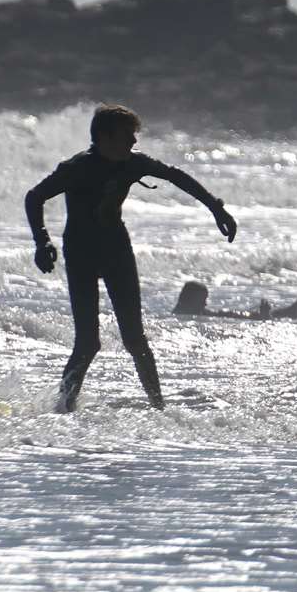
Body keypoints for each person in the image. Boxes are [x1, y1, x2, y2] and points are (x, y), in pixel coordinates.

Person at [25, 103, 238, 412]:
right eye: (127, 136)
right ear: (105, 137)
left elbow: (175, 176)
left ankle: (158, 408)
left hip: (116, 252)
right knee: (87, 344)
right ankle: (64, 409)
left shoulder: (132, 164)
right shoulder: (76, 168)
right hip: (81, 254)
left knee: (135, 339)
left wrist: (215, 207)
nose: (134, 142)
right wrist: (41, 241)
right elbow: (34, 197)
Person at [172, 281, 297, 321]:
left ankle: (289, 312)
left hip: (219, 315)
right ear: (189, 298)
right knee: (255, 316)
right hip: (219, 316)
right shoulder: (181, 315)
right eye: (202, 300)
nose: (205, 303)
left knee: (250, 314)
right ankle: (289, 312)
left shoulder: (190, 310)